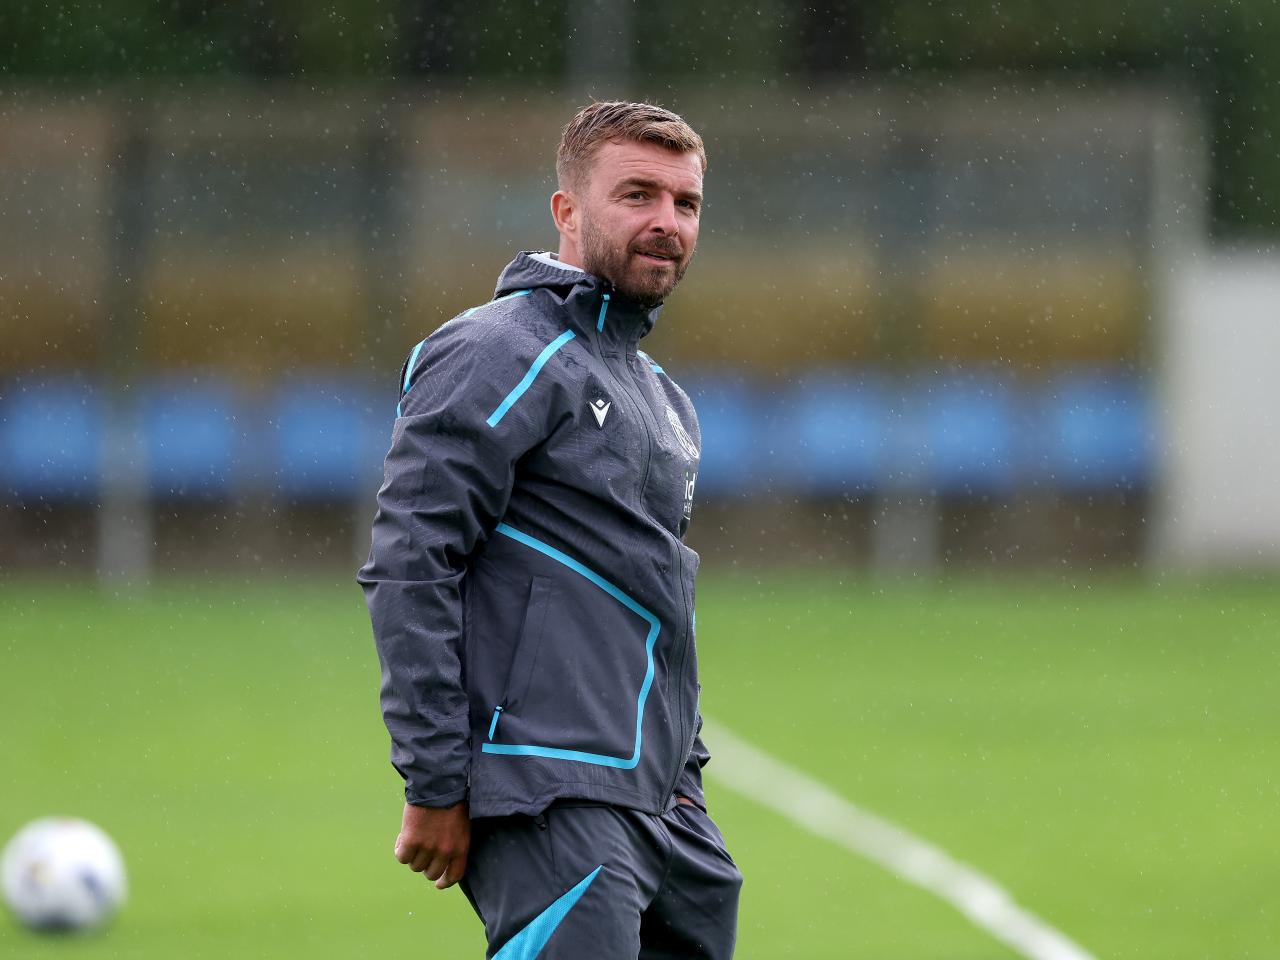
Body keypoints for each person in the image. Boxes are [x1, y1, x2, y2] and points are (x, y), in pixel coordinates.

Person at [358, 100, 741, 959]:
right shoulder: (499, 348)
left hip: (666, 813)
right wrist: (435, 780)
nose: (666, 222)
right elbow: (412, 561)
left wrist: (684, 783)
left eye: (685, 203)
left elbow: (656, 608)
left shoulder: (664, 397)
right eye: (637, 194)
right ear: (567, 211)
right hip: (551, 795)